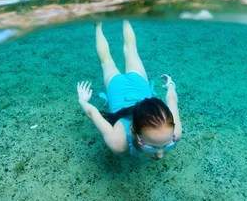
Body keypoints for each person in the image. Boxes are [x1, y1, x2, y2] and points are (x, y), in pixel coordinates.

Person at [77, 21, 182, 160]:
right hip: (117, 88)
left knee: (117, 56)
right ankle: (99, 24)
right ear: (133, 131)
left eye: (168, 144)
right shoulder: (118, 144)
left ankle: (118, 18)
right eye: (151, 147)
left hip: (137, 84)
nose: (160, 155)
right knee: (115, 57)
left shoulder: (176, 133)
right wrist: (82, 100)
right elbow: (91, 113)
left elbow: (172, 100)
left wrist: (171, 84)